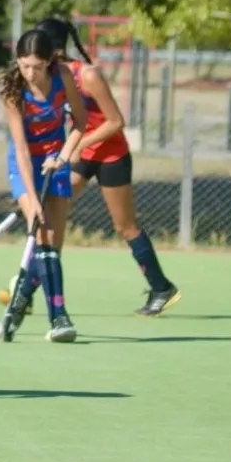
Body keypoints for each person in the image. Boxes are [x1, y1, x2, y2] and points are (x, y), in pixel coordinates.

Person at [37, 17, 181, 316]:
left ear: (55, 49)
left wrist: (78, 145)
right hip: (83, 154)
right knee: (54, 210)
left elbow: (116, 122)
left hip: (111, 157)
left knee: (124, 226)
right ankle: (31, 286)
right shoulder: (53, 77)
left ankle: (162, 288)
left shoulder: (87, 76)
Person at [0, 28, 87, 343]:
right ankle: (59, 318)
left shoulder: (62, 75)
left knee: (52, 245)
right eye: (24, 65)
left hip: (55, 159)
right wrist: (32, 200)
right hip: (25, 164)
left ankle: (20, 298)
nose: (30, 73)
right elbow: (21, 149)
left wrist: (63, 158)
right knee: (42, 232)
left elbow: (80, 120)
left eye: (36, 66)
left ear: (49, 61)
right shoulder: (12, 90)